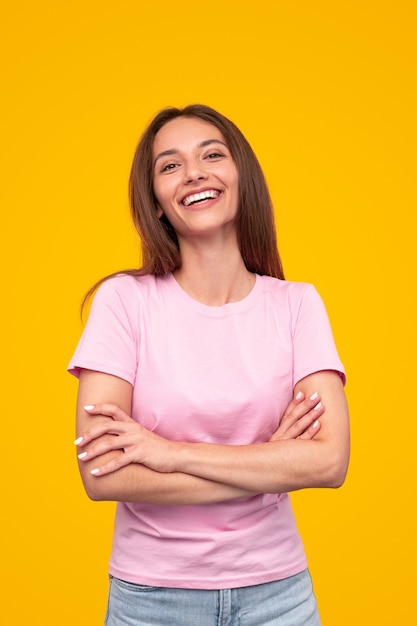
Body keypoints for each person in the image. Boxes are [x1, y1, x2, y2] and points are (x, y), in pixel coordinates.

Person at [68, 104, 350, 626]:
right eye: (169, 165)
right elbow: (103, 475)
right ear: (154, 202)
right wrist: (271, 463)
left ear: (241, 177)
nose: (194, 172)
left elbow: (329, 462)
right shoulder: (123, 302)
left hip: (280, 595)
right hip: (152, 599)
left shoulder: (297, 305)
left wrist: (166, 453)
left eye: (212, 155)